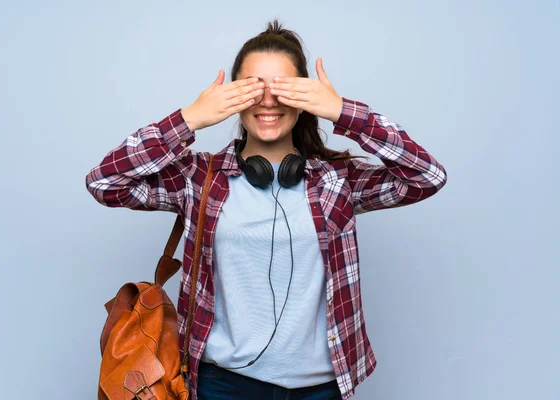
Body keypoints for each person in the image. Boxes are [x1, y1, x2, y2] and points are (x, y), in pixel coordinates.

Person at [86, 20, 447, 400]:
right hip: (221, 385)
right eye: (253, 88)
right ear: (234, 97)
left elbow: (426, 177)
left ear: (305, 96)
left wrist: (344, 113)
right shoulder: (198, 179)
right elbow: (104, 183)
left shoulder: (337, 180)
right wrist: (189, 119)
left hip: (320, 388)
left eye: (283, 88)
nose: (268, 101)